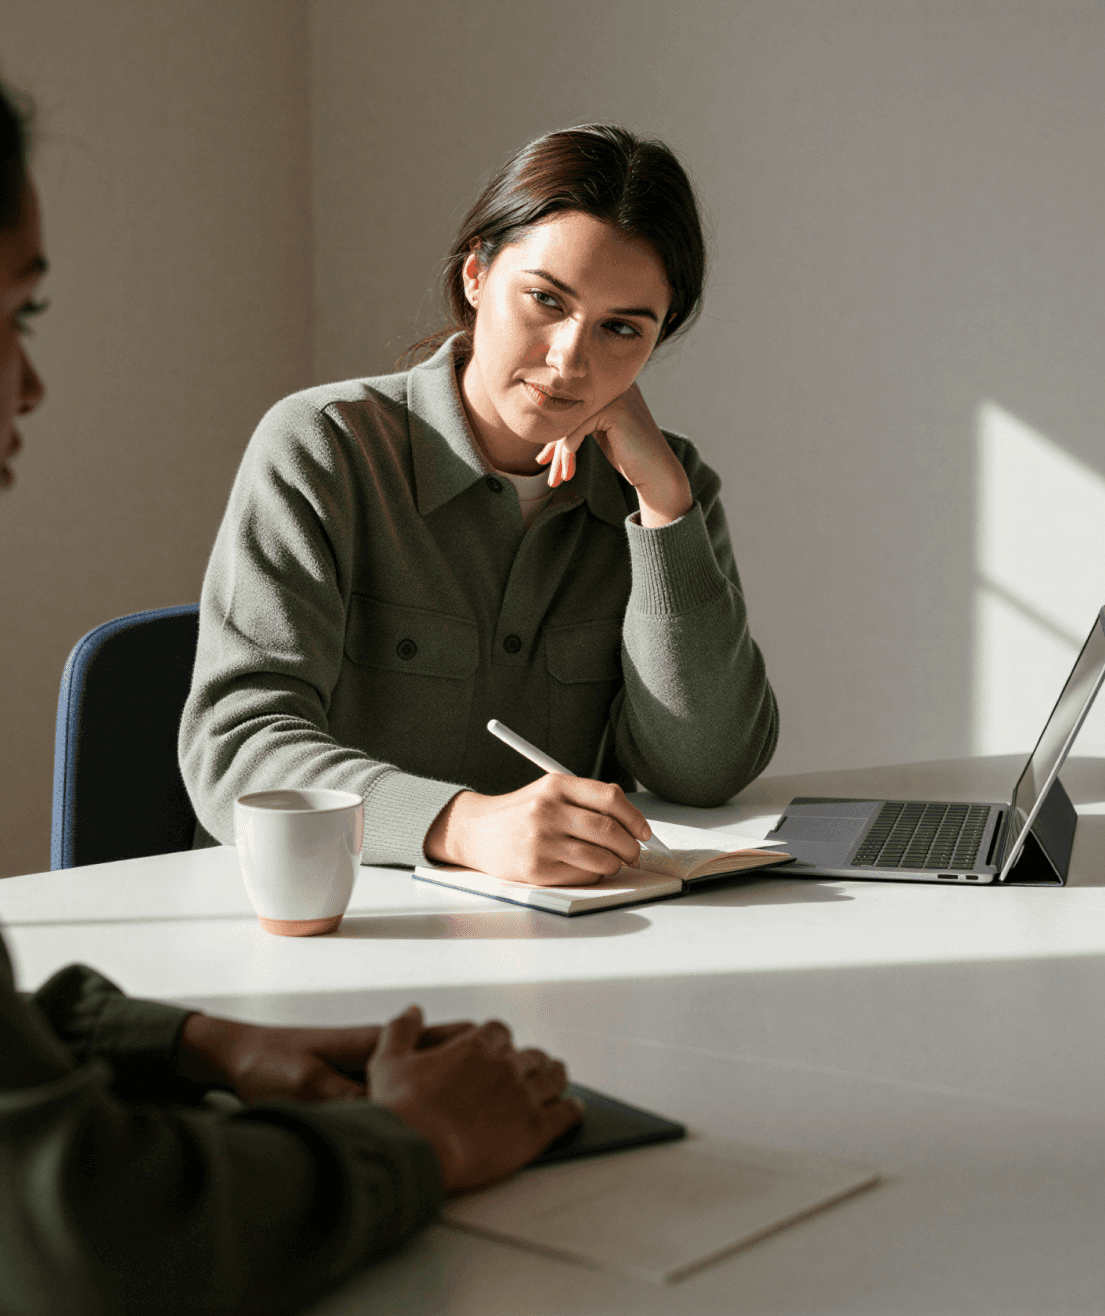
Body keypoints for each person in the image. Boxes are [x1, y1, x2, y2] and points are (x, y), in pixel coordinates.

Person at [0, 5, 580, 1313]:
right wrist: (416, 1143)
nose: (28, 385)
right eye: (18, 311)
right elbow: (77, 1244)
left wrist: (195, 1040)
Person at [179, 123, 780, 889]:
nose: (570, 360)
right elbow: (236, 749)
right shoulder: (321, 449)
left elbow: (707, 770)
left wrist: (664, 511)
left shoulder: (665, 482)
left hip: (566, 934)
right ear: (475, 277)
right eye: (544, 300)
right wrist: (463, 825)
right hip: (333, 922)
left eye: (621, 328)